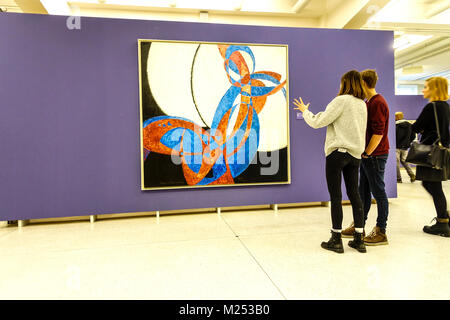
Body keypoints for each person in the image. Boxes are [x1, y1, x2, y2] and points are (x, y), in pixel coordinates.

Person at [293, 70, 368, 253]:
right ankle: (359, 239)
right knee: (355, 195)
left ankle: (336, 239)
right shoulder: (362, 104)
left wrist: (305, 112)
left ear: (345, 83)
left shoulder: (341, 100)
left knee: (336, 197)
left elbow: (320, 122)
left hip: (337, 154)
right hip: (355, 155)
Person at [341, 69, 390, 246]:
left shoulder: (377, 103)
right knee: (363, 193)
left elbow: (378, 133)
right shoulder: (369, 102)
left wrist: (367, 153)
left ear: (363, 83)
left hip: (375, 156)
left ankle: (381, 231)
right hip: (368, 155)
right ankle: (359, 226)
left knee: (379, 193)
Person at [411, 77, 450, 237]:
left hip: (429, 152)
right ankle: (444, 218)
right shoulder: (445, 107)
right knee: (433, 185)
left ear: (434, 89)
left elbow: (416, 127)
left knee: (433, 185)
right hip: (441, 151)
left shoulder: (431, 107)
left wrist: (418, 129)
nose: (423, 90)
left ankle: (443, 222)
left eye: (426, 87)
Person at [395, 111, 416, 183]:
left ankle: (398, 179)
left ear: (397, 117)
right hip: (405, 147)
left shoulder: (395, 125)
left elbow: (394, 136)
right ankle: (412, 174)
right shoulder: (410, 125)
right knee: (404, 161)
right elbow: (413, 136)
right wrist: (408, 142)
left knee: (396, 163)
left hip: (396, 146)